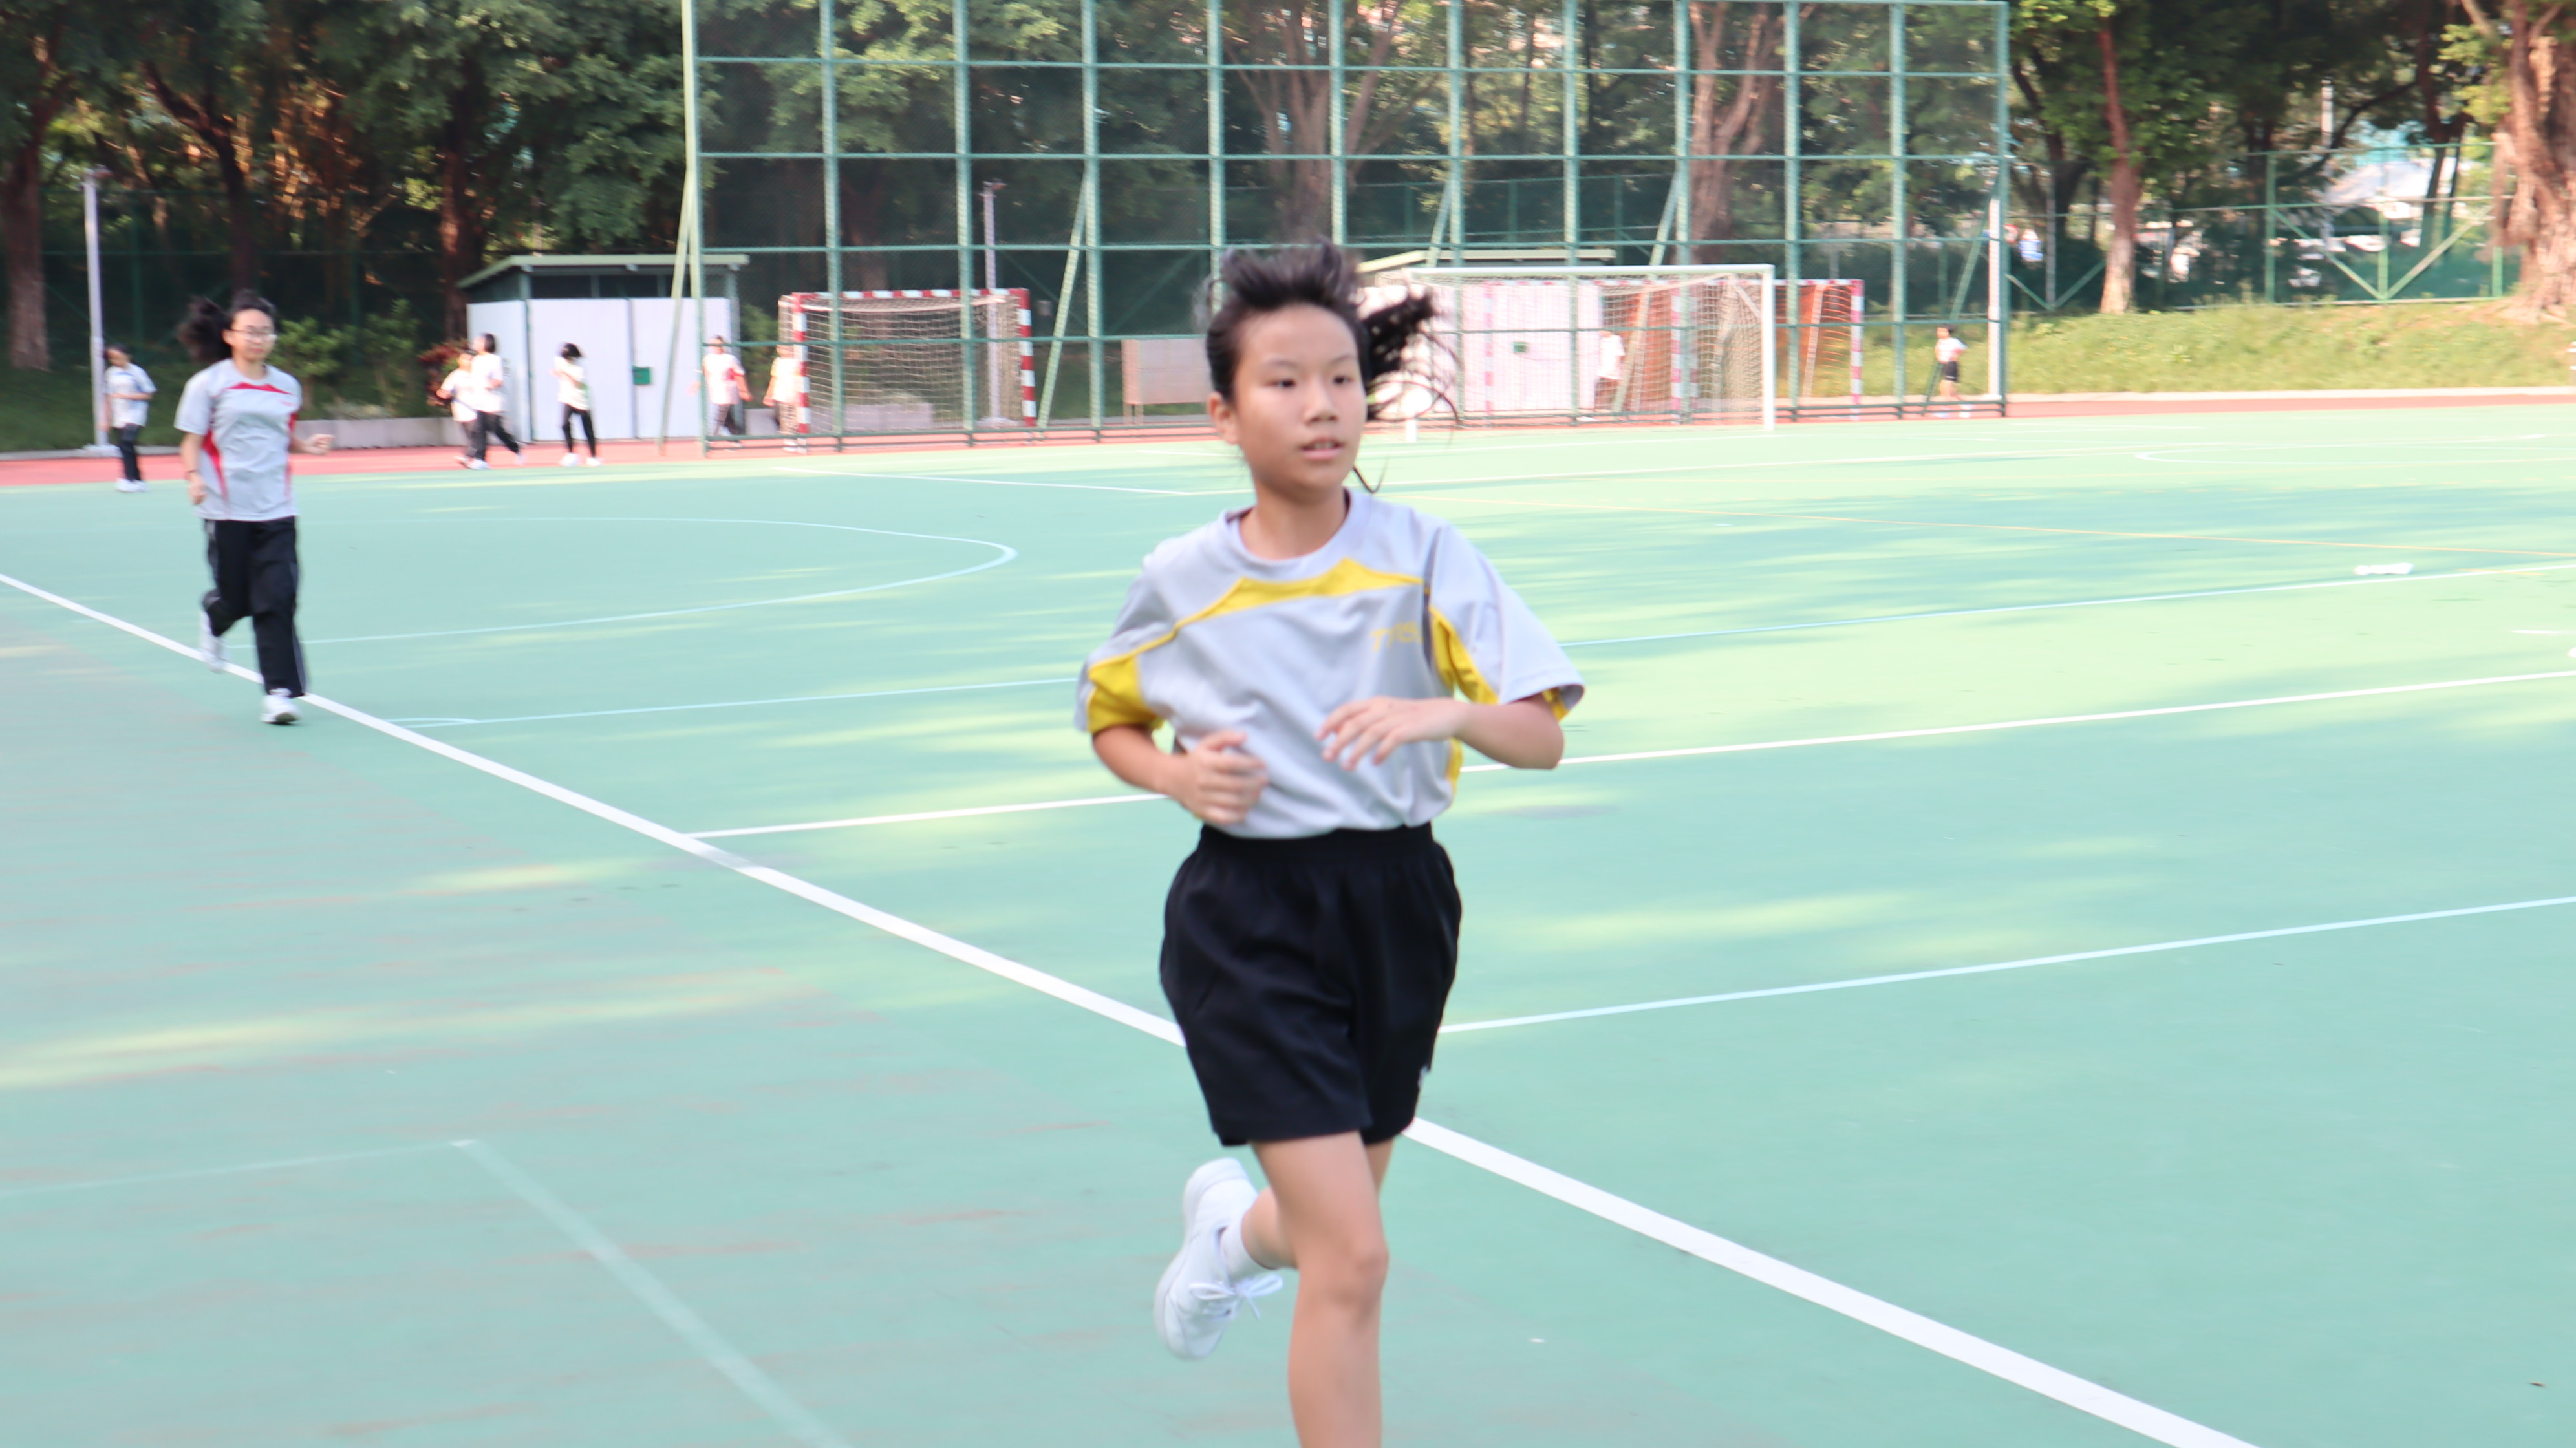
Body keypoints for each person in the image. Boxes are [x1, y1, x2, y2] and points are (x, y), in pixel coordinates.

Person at [1078, 244, 1582, 1448]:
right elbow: (1110, 719)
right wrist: (1175, 776)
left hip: (1398, 908)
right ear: (1223, 413)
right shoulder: (1181, 580)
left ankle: (1226, 1242)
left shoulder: (1425, 556)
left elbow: (1541, 737)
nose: (1322, 407)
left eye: (1343, 380)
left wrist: (1445, 713)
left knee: (1323, 1238)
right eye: (1286, 382)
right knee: (1354, 1256)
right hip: (1248, 920)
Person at [175, 290, 334, 725]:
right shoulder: (208, 384)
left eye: (266, 332)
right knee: (237, 598)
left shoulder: (287, 386)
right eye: (250, 331)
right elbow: (191, 440)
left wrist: (307, 446)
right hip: (226, 509)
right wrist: (193, 477)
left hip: (277, 510)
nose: (259, 339)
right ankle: (215, 615)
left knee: (278, 598)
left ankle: (279, 693)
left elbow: (283, 434)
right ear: (229, 335)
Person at [101, 343, 155, 492]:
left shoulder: (137, 372)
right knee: (125, 447)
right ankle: (138, 480)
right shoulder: (111, 373)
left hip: (136, 414)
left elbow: (148, 394)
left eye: (118, 357)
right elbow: (108, 397)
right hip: (119, 415)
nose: (116, 361)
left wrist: (125, 396)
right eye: (112, 358)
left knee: (127, 442)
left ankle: (128, 478)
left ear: (127, 356)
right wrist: (105, 419)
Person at [462, 333, 523, 467]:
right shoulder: (476, 360)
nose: (476, 343)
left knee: (496, 430)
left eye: (480, 341)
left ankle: (516, 448)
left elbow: (498, 380)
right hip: (480, 401)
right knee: (479, 429)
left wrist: (490, 385)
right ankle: (481, 459)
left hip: (493, 400)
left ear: (488, 343)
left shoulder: (495, 359)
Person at [553, 342, 600, 466]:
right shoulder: (561, 360)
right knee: (564, 425)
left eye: (569, 358)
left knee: (588, 430)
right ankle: (571, 454)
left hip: (582, 401)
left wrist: (566, 373)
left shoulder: (580, 366)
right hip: (568, 399)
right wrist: (557, 372)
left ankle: (594, 457)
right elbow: (557, 371)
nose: (567, 360)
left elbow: (578, 384)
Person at [434, 353, 481, 467]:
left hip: (477, 408)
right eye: (464, 359)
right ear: (459, 361)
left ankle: (469, 457)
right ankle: (475, 457)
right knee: (471, 435)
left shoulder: (478, 374)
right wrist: (446, 395)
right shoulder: (455, 375)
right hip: (461, 409)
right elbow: (446, 390)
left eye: (470, 359)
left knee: (475, 434)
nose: (467, 362)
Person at [699, 335, 747, 441]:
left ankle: (712, 436)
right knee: (726, 417)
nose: (716, 347)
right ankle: (736, 439)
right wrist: (697, 384)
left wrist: (743, 390)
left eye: (718, 344)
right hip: (715, 390)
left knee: (722, 413)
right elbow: (704, 373)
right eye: (713, 344)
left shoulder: (730, 359)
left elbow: (739, 374)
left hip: (728, 389)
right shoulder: (708, 359)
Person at [764, 345, 806, 452]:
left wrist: (798, 392)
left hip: (793, 392)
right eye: (781, 348)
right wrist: (769, 395)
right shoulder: (778, 362)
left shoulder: (796, 362)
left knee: (794, 417)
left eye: (787, 348)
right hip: (781, 393)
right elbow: (774, 378)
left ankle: (793, 438)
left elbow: (799, 378)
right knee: (782, 415)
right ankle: (788, 437)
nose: (784, 351)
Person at [1933, 324, 1968, 417]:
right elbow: (1937, 350)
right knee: (1949, 389)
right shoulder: (1940, 342)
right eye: (1938, 331)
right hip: (1944, 365)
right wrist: (1939, 357)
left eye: (1942, 331)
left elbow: (1962, 348)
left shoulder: (1954, 341)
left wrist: (1954, 356)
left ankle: (1946, 409)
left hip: (1951, 365)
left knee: (1946, 386)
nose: (1939, 333)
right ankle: (1965, 405)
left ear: (1948, 333)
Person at [1591, 328, 1627, 416]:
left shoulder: (1616, 339)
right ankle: (1595, 409)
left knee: (1616, 390)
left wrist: (1618, 367)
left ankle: (1623, 411)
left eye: (1603, 330)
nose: (1601, 332)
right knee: (1599, 388)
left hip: (1614, 369)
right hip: (1604, 369)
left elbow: (1621, 354)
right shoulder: (1603, 340)